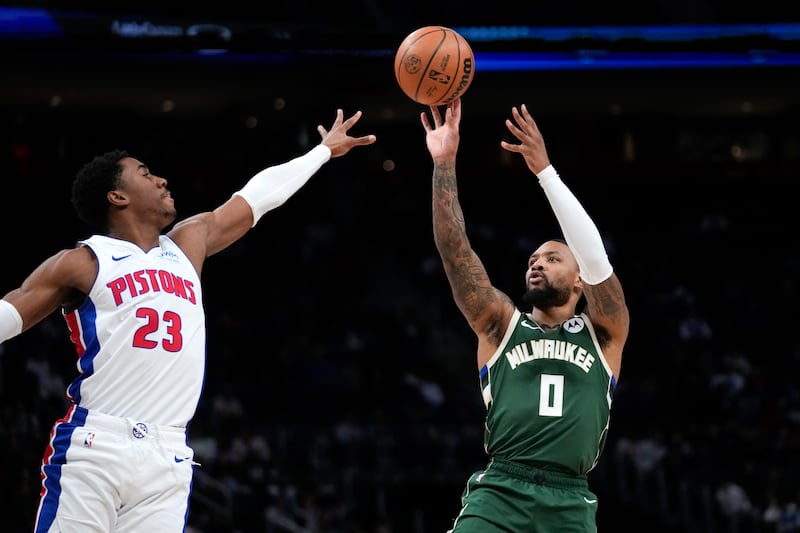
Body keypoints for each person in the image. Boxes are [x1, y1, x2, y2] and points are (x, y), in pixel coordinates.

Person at [0, 108, 376, 532]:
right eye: (144, 174)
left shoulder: (187, 243)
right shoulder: (82, 261)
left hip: (168, 454)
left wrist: (321, 153)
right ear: (117, 197)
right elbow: (10, 313)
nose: (161, 180)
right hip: (95, 444)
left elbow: (257, 197)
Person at [421, 98, 629, 532]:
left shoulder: (606, 331)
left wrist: (545, 173)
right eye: (533, 258)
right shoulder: (501, 324)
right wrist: (444, 162)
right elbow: (455, 252)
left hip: (570, 500)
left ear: (579, 281)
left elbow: (597, 261)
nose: (536, 263)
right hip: (499, 491)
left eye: (552, 258)